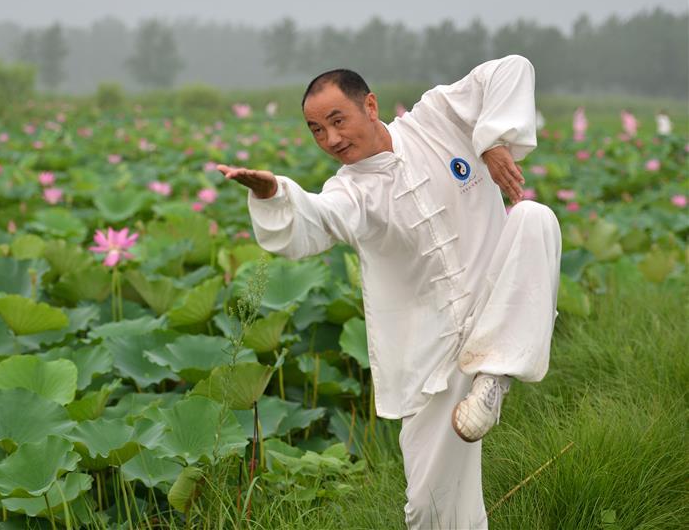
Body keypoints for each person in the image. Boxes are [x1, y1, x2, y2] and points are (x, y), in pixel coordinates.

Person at [217, 54, 562, 529]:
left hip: (493, 304)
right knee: (429, 507)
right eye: (317, 130)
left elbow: (513, 67)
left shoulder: (436, 118)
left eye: (338, 120)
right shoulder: (351, 192)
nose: (332, 139)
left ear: (371, 105)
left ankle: (495, 378)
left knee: (533, 217)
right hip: (431, 352)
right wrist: (272, 192)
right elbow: (315, 221)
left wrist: (491, 140)